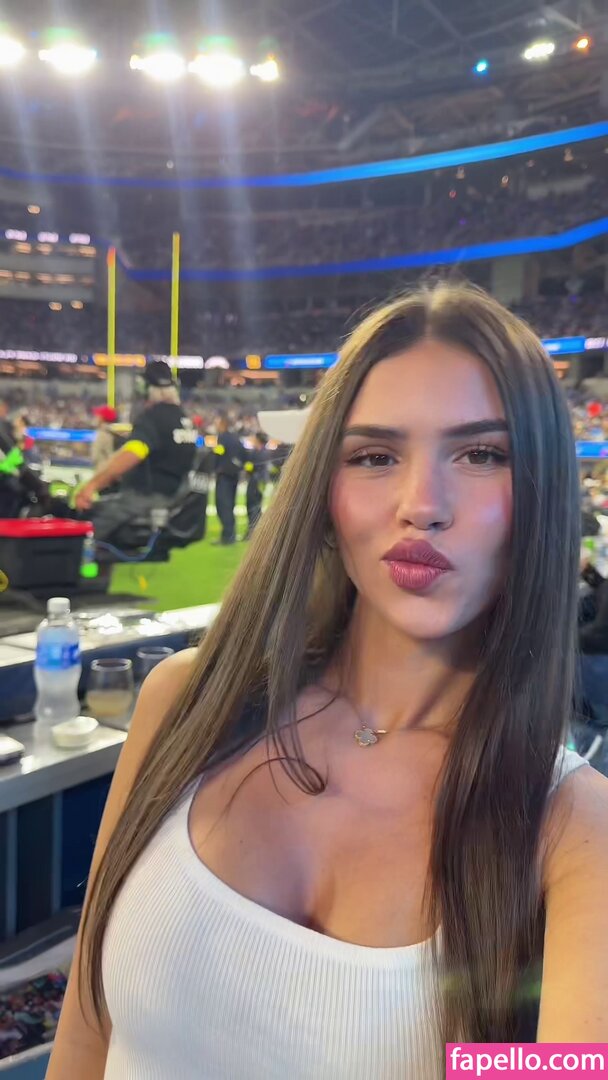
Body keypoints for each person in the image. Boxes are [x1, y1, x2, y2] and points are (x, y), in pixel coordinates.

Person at [49, 284, 608, 1080]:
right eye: (374, 456)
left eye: (483, 454)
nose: (422, 506)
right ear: (323, 489)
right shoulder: (185, 704)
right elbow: (85, 1037)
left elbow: (578, 1060)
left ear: (545, 489)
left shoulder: (575, 831)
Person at [74, 361, 197, 543]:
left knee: (84, 526)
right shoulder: (183, 419)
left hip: (147, 499)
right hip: (174, 499)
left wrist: (92, 486)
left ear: (145, 388)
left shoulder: (153, 417)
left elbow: (132, 454)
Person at [212, 413, 249, 545]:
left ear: (222, 424)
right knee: (230, 505)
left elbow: (218, 453)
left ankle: (227, 537)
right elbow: (245, 454)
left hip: (224, 476)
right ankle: (230, 534)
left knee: (223, 506)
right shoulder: (236, 438)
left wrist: (216, 467)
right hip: (234, 476)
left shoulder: (223, 438)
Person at [243, 430, 269, 540]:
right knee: (254, 505)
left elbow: (253, 467)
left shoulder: (260, 452)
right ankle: (254, 531)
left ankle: (253, 532)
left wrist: (248, 468)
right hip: (259, 481)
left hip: (256, 481)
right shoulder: (262, 451)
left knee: (253, 505)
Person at [90, 406, 118, 472]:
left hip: (103, 471)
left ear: (102, 419)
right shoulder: (110, 432)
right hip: (108, 470)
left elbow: (95, 457)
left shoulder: (102, 434)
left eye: (97, 416)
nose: (95, 418)